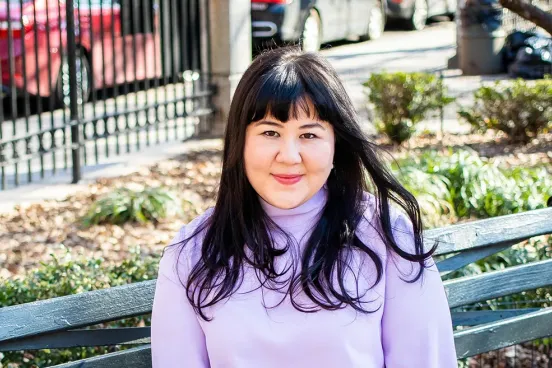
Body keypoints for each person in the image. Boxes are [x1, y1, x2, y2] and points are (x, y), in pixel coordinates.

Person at [151, 46, 457, 368]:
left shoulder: (386, 236)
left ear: (336, 144)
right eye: (270, 132)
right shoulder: (193, 253)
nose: (289, 155)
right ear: (240, 141)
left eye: (309, 134)